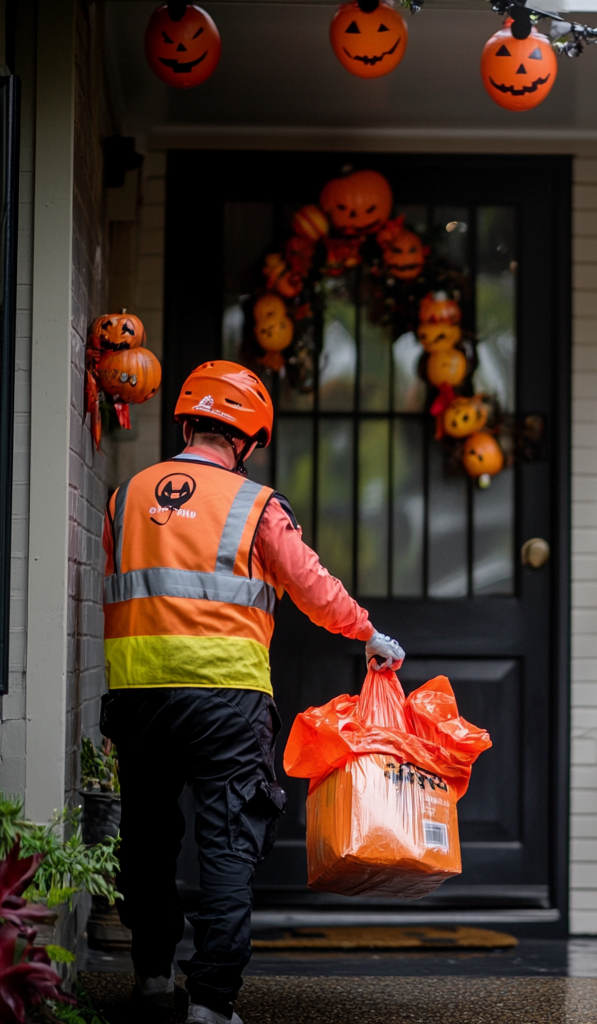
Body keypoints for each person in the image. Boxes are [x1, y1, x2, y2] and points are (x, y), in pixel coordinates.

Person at [100, 361, 404, 1024]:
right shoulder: (253, 506)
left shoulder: (125, 497)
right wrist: (368, 633)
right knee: (228, 841)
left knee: (148, 839)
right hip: (226, 699)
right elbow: (312, 586)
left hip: (138, 695)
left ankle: (153, 978)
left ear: (187, 422)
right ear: (248, 437)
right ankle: (210, 1002)